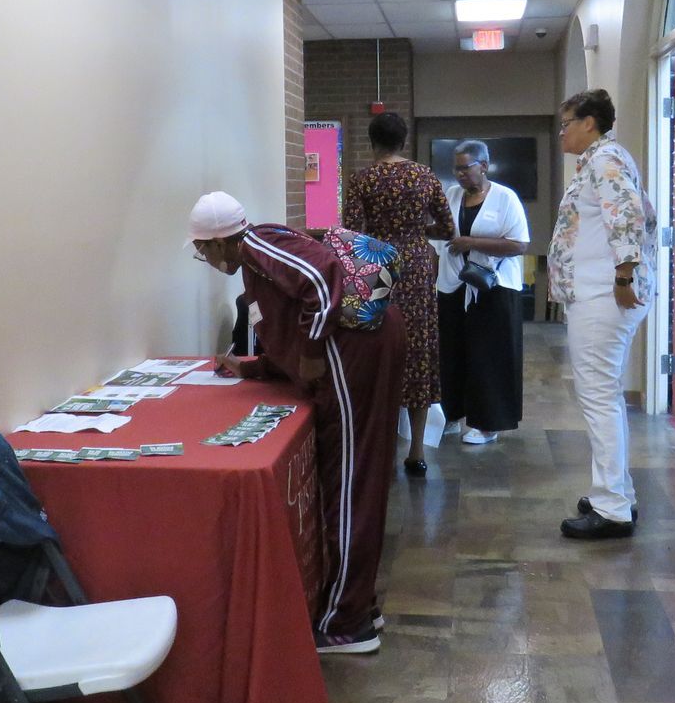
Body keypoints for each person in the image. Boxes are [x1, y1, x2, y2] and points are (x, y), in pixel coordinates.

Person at [188, 191, 406, 655]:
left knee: (350, 482)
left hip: (351, 354)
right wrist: (257, 367)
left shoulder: (256, 246)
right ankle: (358, 602)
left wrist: (309, 357)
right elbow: (289, 319)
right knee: (356, 479)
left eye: (201, 251)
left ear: (217, 242)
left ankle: (347, 624)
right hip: (359, 350)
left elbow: (323, 284)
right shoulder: (259, 258)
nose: (204, 260)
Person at [547, 89, 659, 540]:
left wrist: (623, 278)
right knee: (604, 395)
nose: (562, 131)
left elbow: (628, 216)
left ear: (589, 122)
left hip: (603, 298)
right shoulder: (597, 161)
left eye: (567, 122)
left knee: (598, 397)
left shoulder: (605, 160)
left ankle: (611, 506)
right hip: (596, 295)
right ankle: (617, 493)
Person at [341, 111, 455, 477]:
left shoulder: (362, 179)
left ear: (372, 143)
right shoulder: (424, 175)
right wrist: (415, 230)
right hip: (417, 266)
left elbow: (351, 233)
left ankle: (383, 445)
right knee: (418, 349)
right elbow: (448, 227)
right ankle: (417, 450)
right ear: (404, 141)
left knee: (378, 348)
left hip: (376, 267)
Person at [436, 140, 532, 445]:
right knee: (451, 352)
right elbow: (440, 232)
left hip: (493, 288)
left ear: (484, 166)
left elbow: (519, 245)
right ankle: (452, 415)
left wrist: (471, 242)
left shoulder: (505, 199)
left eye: (467, 168)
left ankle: (488, 423)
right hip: (454, 285)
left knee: (488, 356)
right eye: (457, 168)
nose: (461, 174)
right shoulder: (451, 195)